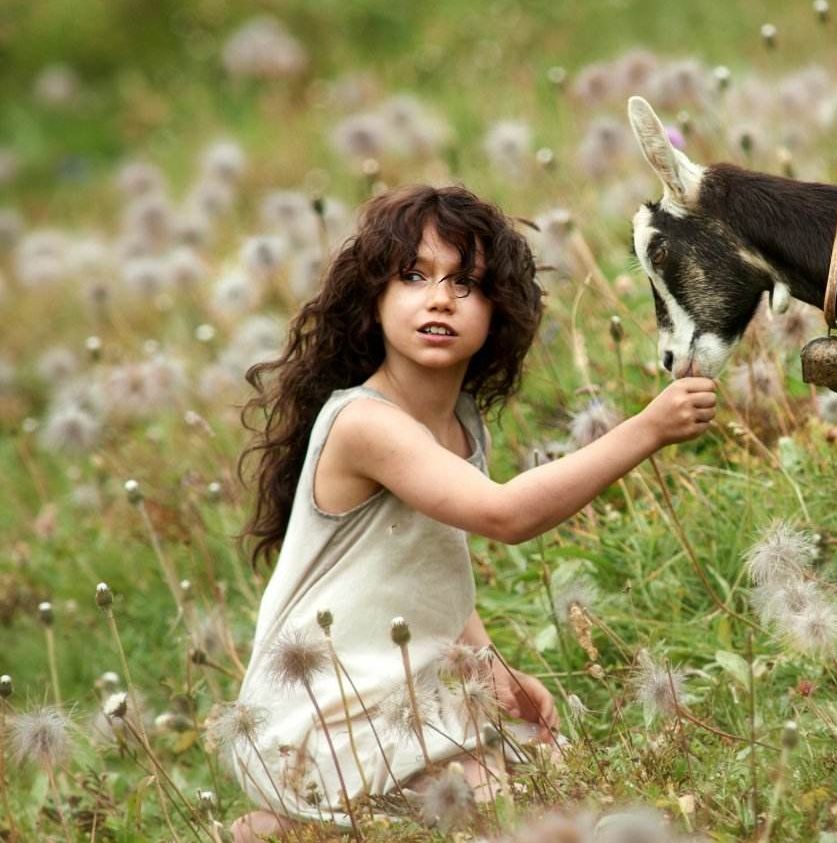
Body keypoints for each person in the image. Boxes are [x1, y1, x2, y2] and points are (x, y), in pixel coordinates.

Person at [226, 184, 716, 840]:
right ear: (373, 301)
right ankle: (276, 823)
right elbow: (506, 515)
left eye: (467, 283)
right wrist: (645, 429)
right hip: (322, 709)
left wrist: (492, 667)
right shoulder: (365, 423)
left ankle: (288, 825)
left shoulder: (460, 422)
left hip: (403, 685)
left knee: (552, 773)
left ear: (497, 311)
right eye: (413, 276)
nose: (440, 299)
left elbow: (432, 564)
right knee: (493, 807)